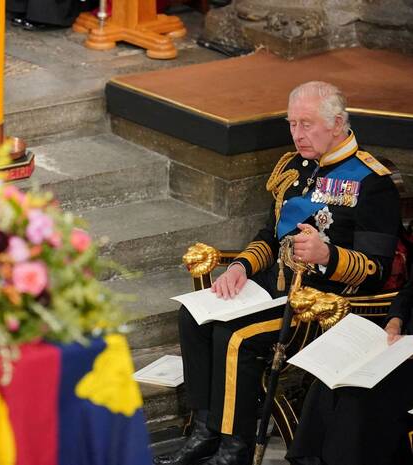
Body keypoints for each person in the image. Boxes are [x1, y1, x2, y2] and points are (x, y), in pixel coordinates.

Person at [154, 80, 401, 465]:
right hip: (272, 288)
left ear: (337, 124)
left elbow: (377, 270)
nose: (297, 135)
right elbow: (271, 235)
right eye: (292, 124)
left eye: (307, 124)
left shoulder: (371, 181)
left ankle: (234, 449)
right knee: (194, 317)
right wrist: (240, 266)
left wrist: (328, 255)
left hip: (320, 303)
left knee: (236, 336)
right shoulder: (292, 166)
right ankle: (204, 433)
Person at [286, 273, 413, 465]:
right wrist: (395, 321)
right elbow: (408, 292)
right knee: (332, 381)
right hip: (402, 347)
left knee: (356, 397)